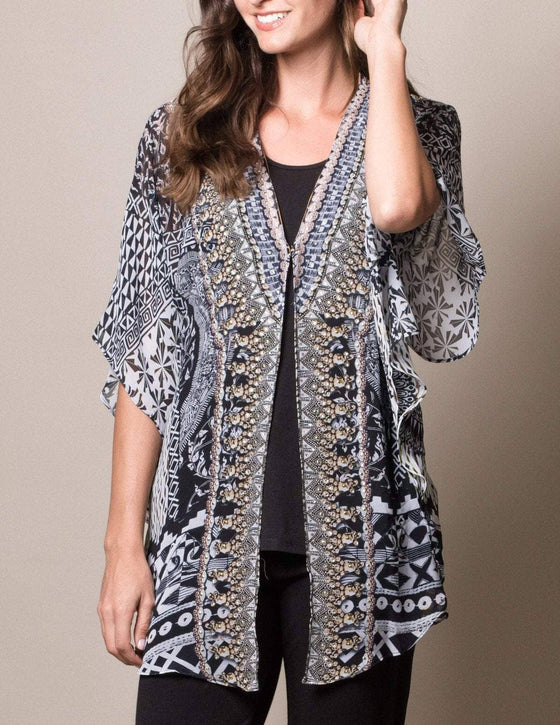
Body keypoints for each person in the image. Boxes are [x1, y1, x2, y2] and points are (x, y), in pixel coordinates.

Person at [92, 1, 487, 723]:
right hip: (205, 551)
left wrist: (385, 48)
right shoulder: (182, 136)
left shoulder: (419, 129)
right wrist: (124, 543)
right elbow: (148, 354)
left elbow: (432, 300)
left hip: (363, 561)